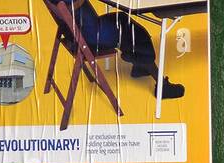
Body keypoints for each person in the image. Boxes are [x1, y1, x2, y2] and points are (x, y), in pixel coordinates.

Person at [55, 0, 184, 98]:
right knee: (134, 32)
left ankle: (139, 64)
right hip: (92, 36)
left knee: (122, 19)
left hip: (83, 31)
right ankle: (162, 86)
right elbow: (70, 6)